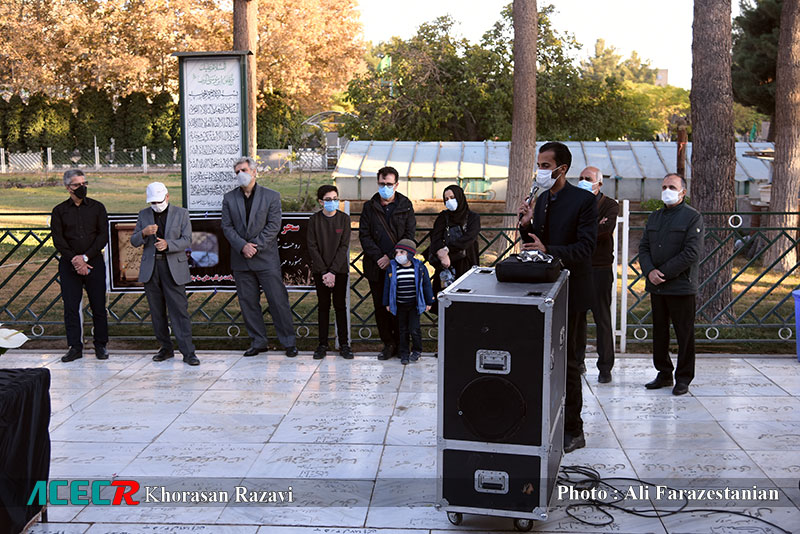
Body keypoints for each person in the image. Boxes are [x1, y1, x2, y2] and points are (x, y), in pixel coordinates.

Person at [518, 142, 597, 453]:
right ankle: (545, 421)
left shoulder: (583, 201)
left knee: (570, 363)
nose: (540, 171)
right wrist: (526, 225)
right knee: (542, 361)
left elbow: (585, 248)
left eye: (546, 166)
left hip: (572, 294)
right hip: (544, 293)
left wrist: (549, 249)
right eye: (539, 165)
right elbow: (536, 244)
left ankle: (573, 430)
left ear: (562, 169)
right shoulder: (542, 200)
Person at [221, 156, 298, 358]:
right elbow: (227, 227)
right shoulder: (229, 198)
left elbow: (274, 225)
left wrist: (255, 246)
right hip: (241, 260)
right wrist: (242, 246)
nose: (241, 174)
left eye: (244, 170)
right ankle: (258, 342)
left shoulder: (271, 196)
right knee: (248, 303)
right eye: (237, 172)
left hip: (266, 259)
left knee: (278, 301)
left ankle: (288, 342)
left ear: (254, 172)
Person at [639, 173, 704, 396]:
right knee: (660, 332)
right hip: (657, 286)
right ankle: (664, 373)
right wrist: (649, 271)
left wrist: (663, 273)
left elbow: (691, 252)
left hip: (681, 286)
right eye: (664, 186)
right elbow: (644, 247)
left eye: (672, 187)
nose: (667, 190)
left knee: (684, 334)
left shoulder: (692, 217)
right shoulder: (655, 217)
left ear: (683, 192)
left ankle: (683, 378)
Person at [130, 182, 199, 366]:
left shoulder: (181, 213)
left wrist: (169, 245)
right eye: (152, 202)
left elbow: (187, 240)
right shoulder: (144, 214)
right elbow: (134, 241)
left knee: (179, 311)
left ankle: (188, 352)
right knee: (157, 311)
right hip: (152, 269)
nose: (156, 205)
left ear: (167, 197)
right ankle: (165, 348)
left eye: (159, 201)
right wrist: (143, 233)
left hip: (173, 267)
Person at [50, 169, 109, 362]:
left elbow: (103, 236)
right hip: (69, 265)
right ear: (68, 188)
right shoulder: (59, 211)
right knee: (71, 307)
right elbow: (58, 240)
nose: (82, 187)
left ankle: (101, 345)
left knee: (98, 306)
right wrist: (75, 260)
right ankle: (75, 346)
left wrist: (85, 257)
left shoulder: (97, 207)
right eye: (77, 185)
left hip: (94, 263)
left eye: (84, 184)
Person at [358, 166, 416, 360]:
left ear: (396, 184)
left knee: (401, 304)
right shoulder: (369, 207)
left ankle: (402, 344)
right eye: (382, 184)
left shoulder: (405, 205)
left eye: (389, 184)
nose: (385, 187)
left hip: (400, 265)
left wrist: (391, 256)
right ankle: (388, 343)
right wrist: (379, 257)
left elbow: (409, 235)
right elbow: (364, 235)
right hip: (376, 266)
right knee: (381, 306)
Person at [575, 167, 619, 383]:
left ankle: (605, 367)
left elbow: (605, 231)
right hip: (578, 267)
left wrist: (582, 228)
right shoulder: (574, 202)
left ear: (599, 184)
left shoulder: (610, 205)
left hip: (600, 268)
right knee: (577, 318)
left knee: (602, 318)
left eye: (588, 178)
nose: (583, 181)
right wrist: (594, 225)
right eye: (581, 178)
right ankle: (577, 362)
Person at [307, 185, 353, 360]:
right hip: (321, 271)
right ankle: (322, 344)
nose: (332, 202)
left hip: (339, 270)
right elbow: (312, 246)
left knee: (340, 306)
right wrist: (325, 272)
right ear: (321, 202)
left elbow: (344, 246)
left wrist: (333, 271)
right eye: (328, 199)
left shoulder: (344, 219)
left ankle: (344, 344)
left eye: (335, 199)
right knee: (323, 307)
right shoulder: (314, 220)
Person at [428, 185, 481, 313]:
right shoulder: (443, 217)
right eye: (446, 199)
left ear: (460, 197)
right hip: (446, 265)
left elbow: (469, 238)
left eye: (452, 197)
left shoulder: (473, 217)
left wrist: (447, 250)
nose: (449, 201)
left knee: (465, 302)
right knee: (445, 302)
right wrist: (441, 254)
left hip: (466, 262)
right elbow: (435, 237)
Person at [382, 239, 433, 365]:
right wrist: (387, 303)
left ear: (410, 254)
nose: (398, 255)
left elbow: (426, 284)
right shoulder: (393, 267)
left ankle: (417, 350)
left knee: (414, 329)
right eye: (397, 252)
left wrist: (429, 301)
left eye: (402, 252)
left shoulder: (419, 267)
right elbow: (387, 286)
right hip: (400, 305)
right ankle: (404, 353)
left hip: (414, 305)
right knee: (402, 330)